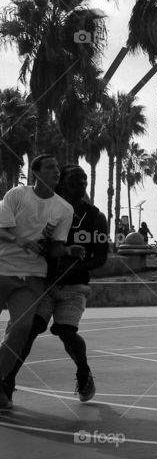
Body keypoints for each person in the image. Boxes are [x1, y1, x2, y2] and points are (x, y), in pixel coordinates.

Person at [1, 165, 108, 403]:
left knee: (66, 331)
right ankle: (7, 381)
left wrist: (72, 268)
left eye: (84, 182)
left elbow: (101, 258)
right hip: (45, 283)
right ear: (61, 185)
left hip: (74, 286)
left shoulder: (96, 217)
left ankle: (83, 373)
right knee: (28, 331)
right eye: (74, 181)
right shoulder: (49, 212)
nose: (80, 186)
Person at [0, 154, 74, 410]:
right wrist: (18, 240)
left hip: (33, 277)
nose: (56, 171)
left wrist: (67, 251)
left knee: (20, 330)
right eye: (50, 167)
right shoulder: (16, 195)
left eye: (57, 167)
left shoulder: (64, 209)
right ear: (36, 173)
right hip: (2, 270)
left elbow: (55, 248)